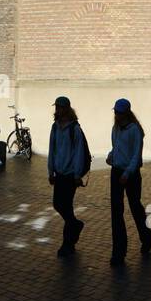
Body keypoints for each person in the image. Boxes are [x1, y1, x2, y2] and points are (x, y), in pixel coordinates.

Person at [107, 99, 151, 265]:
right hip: (116, 171)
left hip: (131, 174)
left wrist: (128, 172)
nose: (117, 115)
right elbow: (116, 147)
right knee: (116, 212)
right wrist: (111, 155)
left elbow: (136, 155)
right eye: (116, 112)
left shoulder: (135, 130)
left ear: (126, 112)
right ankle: (119, 252)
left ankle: (146, 235)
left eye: (119, 112)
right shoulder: (116, 129)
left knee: (135, 206)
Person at [47, 96, 88, 257]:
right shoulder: (55, 127)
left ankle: (68, 243)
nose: (57, 110)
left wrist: (77, 174)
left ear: (67, 109)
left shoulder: (74, 129)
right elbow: (52, 149)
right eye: (56, 107)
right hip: (59, 173)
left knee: (66, 206)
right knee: (58, 204)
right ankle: (75, 226)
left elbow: (78, 153)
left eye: (60, 107)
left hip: (71, 175)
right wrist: (51, 171)